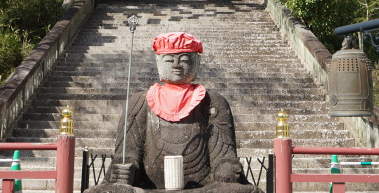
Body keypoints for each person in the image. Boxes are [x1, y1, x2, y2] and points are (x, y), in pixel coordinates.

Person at [94, 32, 260, 193]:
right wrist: (123, 170)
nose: (176, 65)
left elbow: (224, 155)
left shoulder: (213, 103)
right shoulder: (139, 103)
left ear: (196, 62)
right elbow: (128, 154)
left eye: (185, 60)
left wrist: (227, 168)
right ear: (158, 61)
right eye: (169, 59)